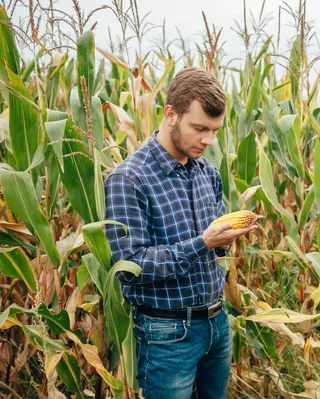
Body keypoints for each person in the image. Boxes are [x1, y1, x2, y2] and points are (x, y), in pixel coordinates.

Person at [104, 67, 257, 399]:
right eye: (199, 128)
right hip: (167, 333)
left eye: (215, 131)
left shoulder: (207, 173)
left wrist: (223, 242)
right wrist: (203, 243)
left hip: (217, 324)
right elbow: (130, 266)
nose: (208, 140)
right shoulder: (129, 179)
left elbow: (213, 251)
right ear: (170, 114)